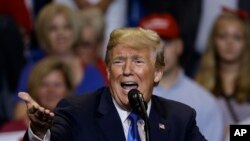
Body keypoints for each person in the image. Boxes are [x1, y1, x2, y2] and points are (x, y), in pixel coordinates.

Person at [19, 27, 207, 141]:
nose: (127, 70)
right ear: (108, 71)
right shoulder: (77, 112)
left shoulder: (179, 119)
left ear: (157, 73)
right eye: (118, 61)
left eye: (138, 61)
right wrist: (40, 132)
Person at [139, 13, 224, 141]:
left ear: (179, 46)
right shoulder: (122, 98)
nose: (159, 52)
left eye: (166, 43)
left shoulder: (204, 102)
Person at [17, 3, 106, 95]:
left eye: (66, 27)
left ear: (75, 30)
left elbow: (102, 108)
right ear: (43, 33)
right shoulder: (31, 71)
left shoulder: (93, 73)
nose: (60, 34)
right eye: (53, 28)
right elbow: (21, 108)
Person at [195, 11, 250, 140]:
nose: (229, 43)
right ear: (213, 40)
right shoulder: (198, 83)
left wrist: (232, 132)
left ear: (246, 42)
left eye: (237, 37)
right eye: (222, 36)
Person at [0, 57, 74, 133]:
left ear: (68, 89)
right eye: (44, 84)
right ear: (34, 88)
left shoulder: (79, 126)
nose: (51, 90)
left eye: (57, 85)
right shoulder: (10, 130)